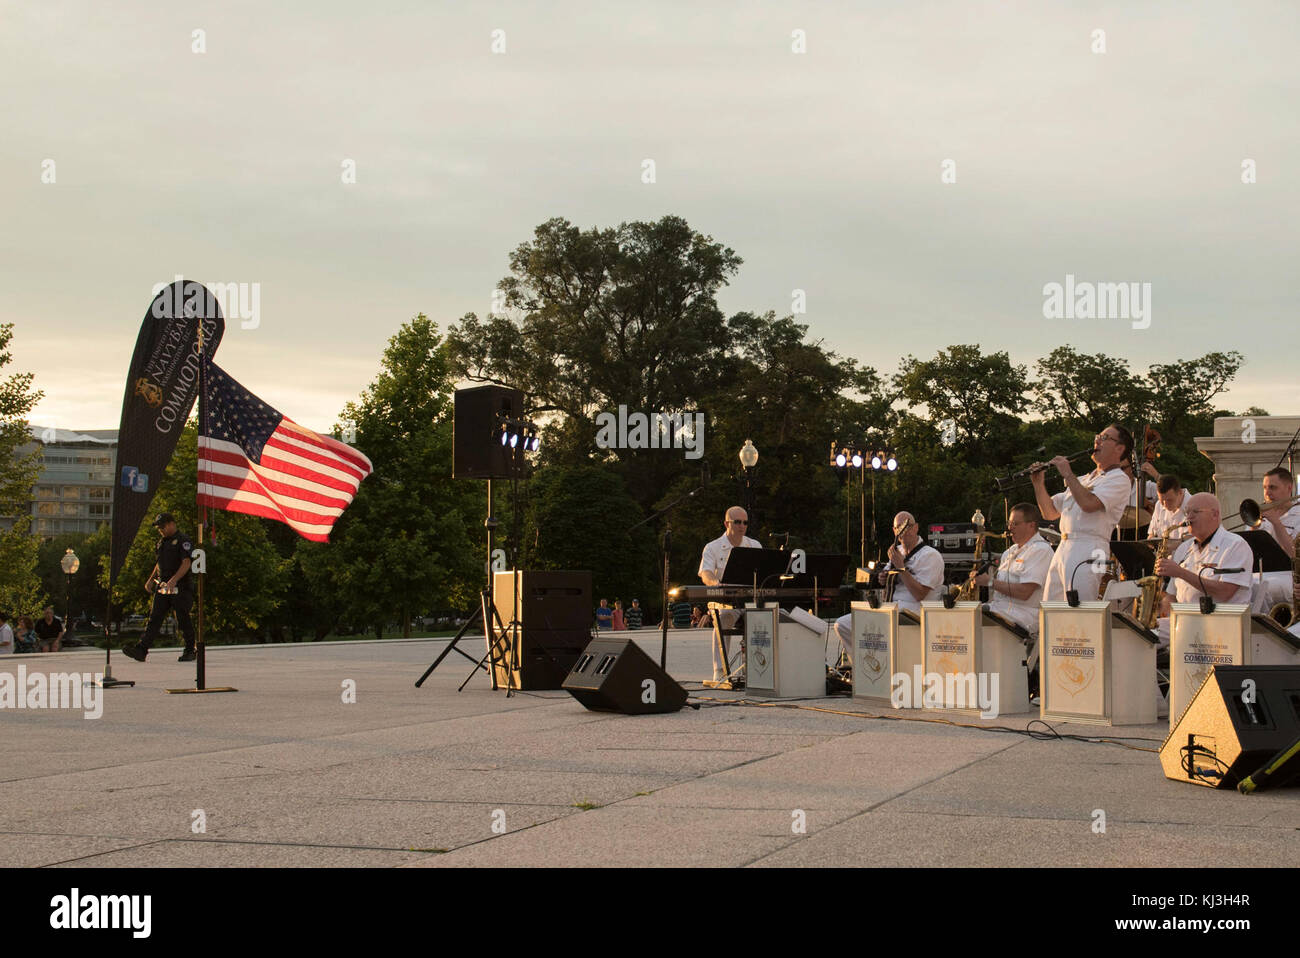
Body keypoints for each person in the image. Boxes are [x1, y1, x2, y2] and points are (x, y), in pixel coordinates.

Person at [1031, 424, 1132, 603]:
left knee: (1080, 608)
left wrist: (1068, 474)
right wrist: (1038, 484)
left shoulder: (1119, 479)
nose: (1097, 441)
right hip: (1064, 547)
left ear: (1120, 448)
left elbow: (1089, 504)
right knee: (1051, 608)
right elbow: (1049, 512)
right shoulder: (1084, 479)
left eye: (1105, 438)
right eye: (1097, 436)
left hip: (1091, 547)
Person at [832, 511, 945, 659]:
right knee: (843, 625)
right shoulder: (896, 551)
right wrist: (882, 578)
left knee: (883, 623)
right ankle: (865, 665)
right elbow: (885, 581)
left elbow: (920, 594)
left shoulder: (930, 556)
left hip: (913, 612)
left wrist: (901, 568)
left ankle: (880, 664)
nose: (904, 531)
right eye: (899, 528)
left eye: (908, 527)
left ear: (916, 528)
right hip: (890, 608)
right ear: (894, 531)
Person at [1153, 492, 1253, 645]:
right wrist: (1162, 607)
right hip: (1185, 622)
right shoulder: (1184, 548)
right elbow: (1172, 596)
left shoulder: (1235, 545)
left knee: (1145, 637)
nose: (1189, 517)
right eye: (1187, 512)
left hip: (1219, 624)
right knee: (1138, 632)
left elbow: (1225, 592)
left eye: (1195, 512)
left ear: (1215, 514)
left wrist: (1181, 572)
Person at [975, 502, 1053, 658]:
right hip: (999, 612)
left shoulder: (1041, 550)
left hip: (1023, 618)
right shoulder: (1009, 552)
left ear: (1031, 525)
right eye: (1009, 524)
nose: (1010, 528)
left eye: (1015, 524)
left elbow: (1025, 592)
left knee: (973, 616)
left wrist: (990, 582)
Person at [122, 512, 197, 662]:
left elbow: (186, 563)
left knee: (182, 619)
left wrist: (174, 580)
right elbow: (159, 564)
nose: (160, 530)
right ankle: (141, 649)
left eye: (162, 527)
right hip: (163, 586)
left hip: (179, 587)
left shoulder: (183, 541)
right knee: (155, 618)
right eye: (158, 528)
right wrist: (151, 580)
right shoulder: (162, 542)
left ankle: (190, 650)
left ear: (171, 524)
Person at [698, 506, 761, 682]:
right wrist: (716, 584)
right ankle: (720, 670)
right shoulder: (712, 547)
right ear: (727, 523)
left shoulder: (754, 545)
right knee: (724, 616)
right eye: (738, 522)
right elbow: (706, 573)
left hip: (750, 599)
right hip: (725, 601)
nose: (742, 526)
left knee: (765, 617)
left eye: (745, 522)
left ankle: (755, 668)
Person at [1252, 467, 1300, 615]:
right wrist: (1254, 527)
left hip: (1287, 574)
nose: (1267, 493)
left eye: (1272, 487)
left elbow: (1295, 555)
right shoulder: (1260, 515)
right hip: (1260, 573)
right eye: (1265, 488)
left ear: (1289, 488)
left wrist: (1276, 522)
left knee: (1259, 588)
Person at [1148, 474, 1191, 540]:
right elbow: (1151, 534)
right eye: (1162, 500)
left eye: (1169, 500)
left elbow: (1197, 539)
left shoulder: (1195, 507)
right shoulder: (1159, 505)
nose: (1165, 505)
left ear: (1180, 492)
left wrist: (1176, 545)